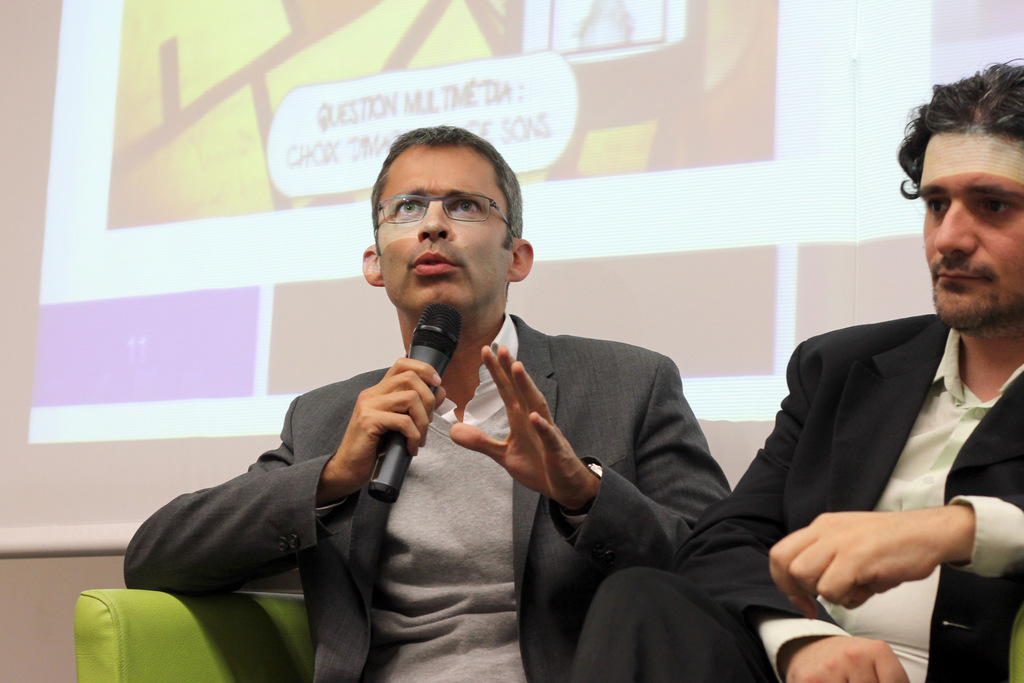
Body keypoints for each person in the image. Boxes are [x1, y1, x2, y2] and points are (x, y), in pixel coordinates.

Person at [123, 125, 728, 682]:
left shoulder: (629, 383)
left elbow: (724, 569)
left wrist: (585, 495)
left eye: (465, 206)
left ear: (517, 258)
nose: (433, 225)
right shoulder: (328, 418)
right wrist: (331, 476)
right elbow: (155, 558)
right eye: (407, 208)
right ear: (374, 264)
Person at [570, 62, 1024, 683]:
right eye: (936, 204)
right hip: (799, 666)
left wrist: (953, 530)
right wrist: (802, 640)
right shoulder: (841, 368)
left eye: (993, 206)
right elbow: (722, 541)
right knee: (640, 597)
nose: (948, 238)